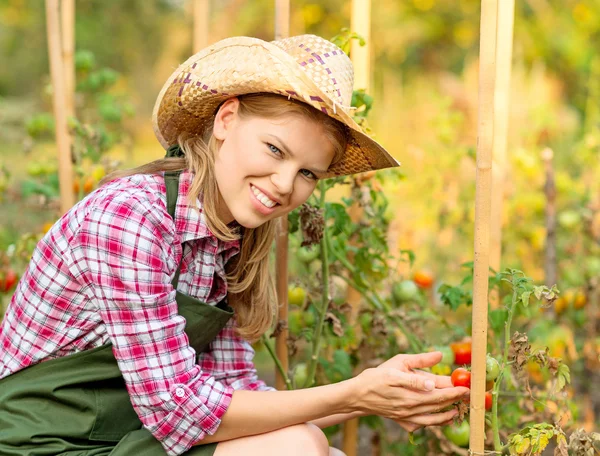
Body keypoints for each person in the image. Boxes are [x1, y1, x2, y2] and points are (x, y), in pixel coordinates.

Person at [0, 34, 469, 456]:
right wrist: (353, 394)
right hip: (38, 443)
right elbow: (179, 412)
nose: (286, 184)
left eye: (308, 173)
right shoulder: (132, 219)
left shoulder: (225, 242)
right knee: (298, 448)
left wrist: (378, 397)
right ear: (227, 118)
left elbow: (237, 394)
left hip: (121, 438)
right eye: (275, 150)